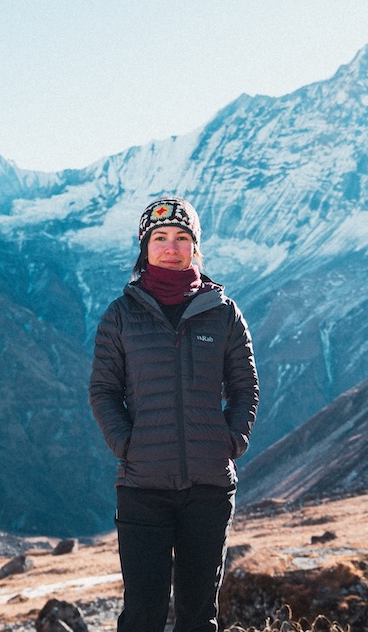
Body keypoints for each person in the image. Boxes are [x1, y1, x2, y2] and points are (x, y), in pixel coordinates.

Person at [89, 196, 259, 632]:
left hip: (208, 488)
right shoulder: (121, 315)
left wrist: (232, 440)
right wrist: (126, 443)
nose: (171, 246)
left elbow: (244, 386)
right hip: (142, 486)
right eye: (159, 237)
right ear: (144, 248)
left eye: (182, 238)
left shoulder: (223, 313)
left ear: (195, 248)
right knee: (142, 614)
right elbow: (104, 391)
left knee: (199, 617)